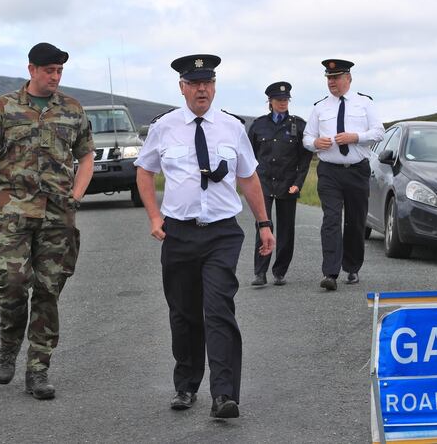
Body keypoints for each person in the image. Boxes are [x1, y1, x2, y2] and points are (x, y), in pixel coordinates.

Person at [134, 54, 275, 419]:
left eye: (208, 83)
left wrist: (263, 223)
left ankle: (224, 394)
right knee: (183, 313)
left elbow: (248, 177)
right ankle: (186, 384)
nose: (202, 90)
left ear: (214, 86)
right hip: (178, 233)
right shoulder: (164, 127)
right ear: (182, 87)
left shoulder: (232, 127)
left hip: (222, 233)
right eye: (195, 83)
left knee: (218, 310)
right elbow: (144, 172)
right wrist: (154, 216)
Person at [0, 42, 94, 400]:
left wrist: (78, 195)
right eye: (49, 70)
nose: (55, 77)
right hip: (13, 214)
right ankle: (8, 344)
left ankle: (38, 369)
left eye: (59, 71)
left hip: (57, 216)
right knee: (12, 283)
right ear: (31, 70)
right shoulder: (5, 107)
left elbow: (86, 157)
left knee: (49, 291)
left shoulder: (71, 109)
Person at [302, 59, 384, 291]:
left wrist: (355, 137)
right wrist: (315, 142)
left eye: (336, 78)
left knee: (355, 221)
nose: (331, 82)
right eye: (328, 78)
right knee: (331, 219)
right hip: (329, 172)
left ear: (348, 78)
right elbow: (307, 138)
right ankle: (330, 272)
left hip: (357, 170)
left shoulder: (364, 104)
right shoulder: (320, 107)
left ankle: (352, 267)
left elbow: (379, 132)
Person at [248, 81, 312, 287]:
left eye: (286, 100)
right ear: (270, 102)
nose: (283, 103)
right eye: (279, 100)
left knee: (286, 229)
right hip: (263, 183)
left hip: (288, 184)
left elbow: (304, 159)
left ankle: (280, 271)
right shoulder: (258, 125)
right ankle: (260, 272)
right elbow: (249, 156)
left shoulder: (299, 125)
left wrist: (298, 183)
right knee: (263, 225)